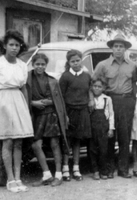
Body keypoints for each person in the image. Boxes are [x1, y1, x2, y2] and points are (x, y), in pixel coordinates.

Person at [93, 33, 135, 178]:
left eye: (121, 46)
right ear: (111, 48)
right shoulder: (102, 65)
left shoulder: (132, 65)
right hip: (109, 101)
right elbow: (93, 83)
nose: (118, 49)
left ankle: (123, 169)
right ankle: (108, 169)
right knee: (109, 136)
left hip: (126, 102)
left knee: (124, 136)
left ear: (125, 49)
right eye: (115, 46)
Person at [26, 53, 69, 187]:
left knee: (55, 144)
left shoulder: (52, 80)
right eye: (37, 64)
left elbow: (58, 100)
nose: (40, 67)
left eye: (43, 64)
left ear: (46, 65)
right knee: (35, 145)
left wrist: (50, 102)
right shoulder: (27, 78)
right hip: (36, 116)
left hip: (51, 115)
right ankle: (46, 175)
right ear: (33, 64)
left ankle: (58, 175)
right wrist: (33, 103)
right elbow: (24, 96)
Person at [0, 29, 34, 192]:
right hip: (3, 101)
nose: (14, 48)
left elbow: (24, 88)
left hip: (19, 101)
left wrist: (26, 108)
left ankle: (18, 177)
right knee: (7, 141)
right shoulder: (0, 63)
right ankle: (10, 179)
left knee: (19, 142)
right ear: (5, 46)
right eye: (11, 45)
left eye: (17, 45)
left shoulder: (22, 66)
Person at [59, 49, 93, 181]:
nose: (75, 63)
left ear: (81, 60)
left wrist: (90, 101)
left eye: (77, 60)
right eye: (72, 61)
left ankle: (76, 168)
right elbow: (61, 97)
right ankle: (65, 168)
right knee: (68, 141)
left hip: (82, 111)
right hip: (69, 111)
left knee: (78, 141)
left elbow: (89, 90)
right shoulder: (65, 76)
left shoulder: (86, 75)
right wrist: (65, 115)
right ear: (68, 62)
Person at [90, 77, 115, 180]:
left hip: (103, 127)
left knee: (103, 149)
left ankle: (103, 170)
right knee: (92, 149)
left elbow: (111, 114)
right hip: (92, 126)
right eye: (95, 86)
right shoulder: (89, 99)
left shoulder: (107, 99)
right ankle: (95, 171)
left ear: (103, 88)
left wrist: (111, 128)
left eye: (99, 87)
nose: (97, 88)